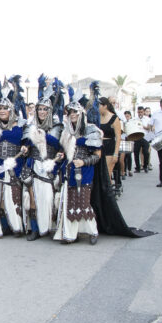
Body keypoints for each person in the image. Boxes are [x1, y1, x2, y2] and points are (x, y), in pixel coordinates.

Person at [0, 76, 27, 238]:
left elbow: (28, 141)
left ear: (11, 109)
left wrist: (26, 147)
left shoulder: (22, 124)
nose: (2, 110)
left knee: (12, 198)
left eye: (5, 108)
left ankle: (17, 227)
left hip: (14, 166)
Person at [54, 101, 102, 244]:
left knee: (83, 202)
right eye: (70, 113)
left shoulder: (91, 129)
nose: (73, 115)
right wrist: (60, 155)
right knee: (69, 202)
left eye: (75, 112)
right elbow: (63, 150)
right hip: (68, 170)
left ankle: (93, 231)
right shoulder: (66, 131)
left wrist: (83, 162)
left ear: (81, 113)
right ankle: (70, 234)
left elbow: (97, 155)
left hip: (84, 171)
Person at [22, 82, 63, 241]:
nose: (42, 112)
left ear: (50, 110)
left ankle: (48, 227)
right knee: (32, 199)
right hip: (33, 165)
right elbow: (26, 142)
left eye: (45, 109)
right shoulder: (30, 125)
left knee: (47, 199)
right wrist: (25, 147)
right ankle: (34, 229)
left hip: (49, 167)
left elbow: (60, 145)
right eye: (39, 108)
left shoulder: (58, 126)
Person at [98, 97, 122, 190]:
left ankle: (108, 194)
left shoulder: (114, 118)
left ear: (105, 106)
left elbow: (118, 137)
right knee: (99, 173)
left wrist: (116, 154)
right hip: (99, 145)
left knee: (107, 174)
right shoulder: (97, 117)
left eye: (99, 106)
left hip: (109, 146)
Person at [133, 106, 151, 173]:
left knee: (146, 152)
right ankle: (137, 167)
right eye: (139, 112)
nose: (140, 113)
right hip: (137, 137)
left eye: (141, 112)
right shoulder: (135, 119)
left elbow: (149, 128)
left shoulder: (147, 119)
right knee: (136, 152)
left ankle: (145, 166)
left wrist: (142, 125)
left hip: (145, 137)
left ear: (143, 112)